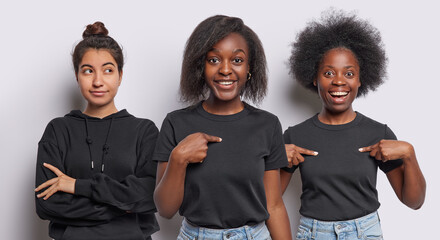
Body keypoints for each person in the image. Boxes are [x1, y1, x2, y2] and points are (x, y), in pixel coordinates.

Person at [280, 10, 426, 240]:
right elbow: (266, 202)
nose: (339, 80)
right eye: (328, 73)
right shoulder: (295, 136)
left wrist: (410, 154)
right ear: (314, 78)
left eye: (349, 73)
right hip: (313, 234)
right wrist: (275, 158)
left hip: (365, 233)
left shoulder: (378, 133)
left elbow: (414, 203)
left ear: (360, 79)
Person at [153, 15, 292, 240]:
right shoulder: (176, 123)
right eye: (214, 60)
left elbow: (274, 205)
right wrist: (179, 158)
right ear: (201, 66)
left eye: (237, 60)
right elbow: (165, 210)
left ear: (249, 68)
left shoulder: (267, 125)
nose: (225, 70)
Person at [34, 22, 159, 240]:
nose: (98, 81)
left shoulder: (144, 130)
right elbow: (48, 205)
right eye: (88, 71)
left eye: (108, 70)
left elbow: (151, 195)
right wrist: (123, 206)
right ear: (77, 75)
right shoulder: (58, 130)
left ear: (120, 75)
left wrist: (76, 186)